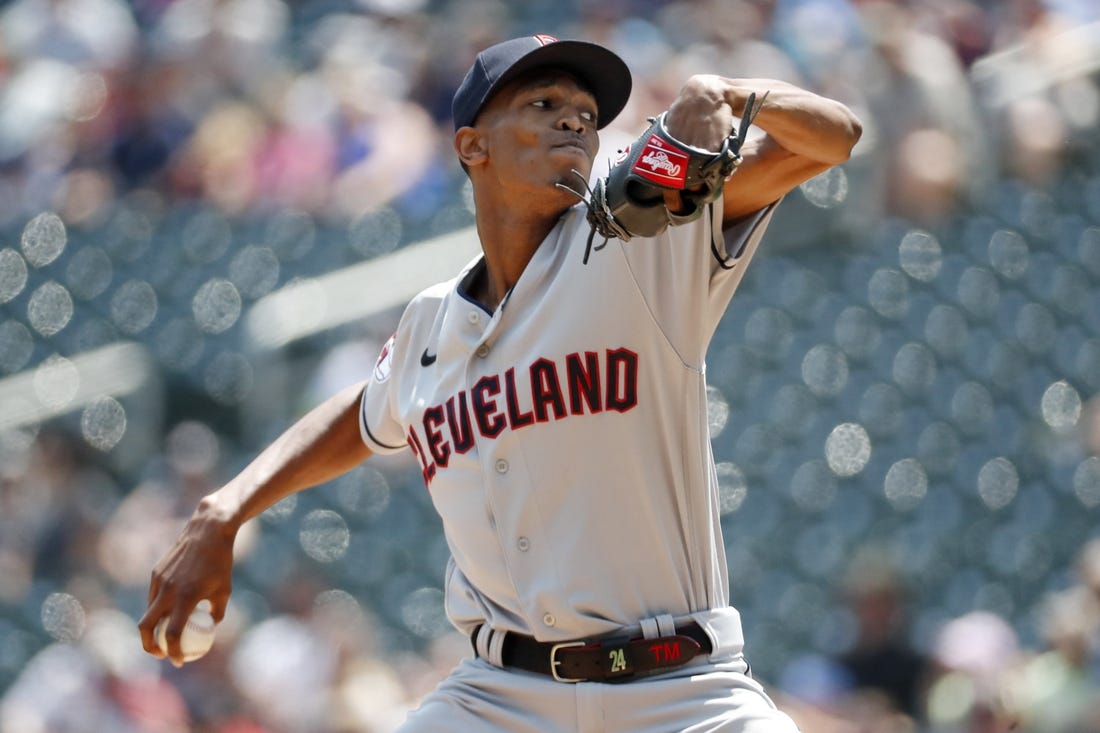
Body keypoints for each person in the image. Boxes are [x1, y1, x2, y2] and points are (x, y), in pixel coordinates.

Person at [140, 34, 862, 731]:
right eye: (543, 102)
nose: (575, 118)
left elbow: (834, 139)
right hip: (501, 697)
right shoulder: (431, 324)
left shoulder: (645, 241)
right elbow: (365, 413)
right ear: (472, 145)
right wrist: (226, 509)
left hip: (681, 692)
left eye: (586, 110)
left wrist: (732, 96)